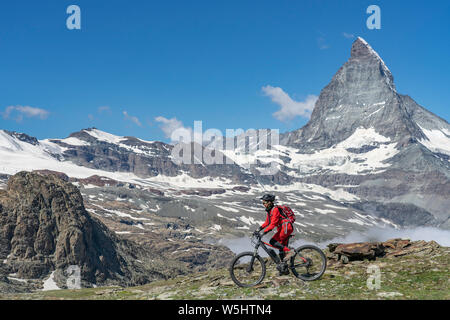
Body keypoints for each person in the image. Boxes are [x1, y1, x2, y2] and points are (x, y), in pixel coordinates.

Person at [255, 194, 295, 266]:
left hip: (286, 227)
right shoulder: (270, 211)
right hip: (283, 228)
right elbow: (267, 222)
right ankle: (284, 268)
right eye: (262, 203)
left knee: (272, 241)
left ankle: (290, 252)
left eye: (264, 203)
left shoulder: (275, 210)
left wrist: (263, 232)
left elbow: (273, 224)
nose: (263, 204)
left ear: (269, 202)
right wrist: (258, 230)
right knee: (281, 249)